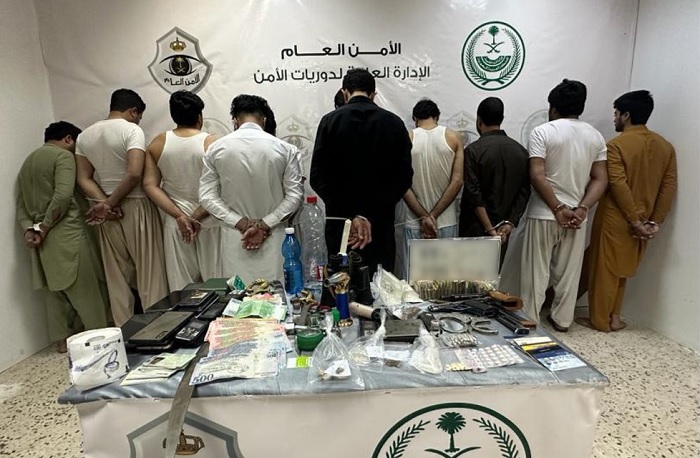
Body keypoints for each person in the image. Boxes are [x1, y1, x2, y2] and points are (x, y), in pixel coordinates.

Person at [501, 79, 608, 331]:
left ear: (553, 108)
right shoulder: (596, 136)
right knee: (569, 272)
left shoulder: (543, 132)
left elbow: (537, 174)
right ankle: (562, 320)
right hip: (577, 217)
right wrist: (582, 208)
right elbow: (601, 179)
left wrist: (558, 208)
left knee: (535, 272)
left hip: (544, 212)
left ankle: (530, 318)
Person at [576, 90, 677, 332]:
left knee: (604, 269)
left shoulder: (616, 146)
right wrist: (653, 222)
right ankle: (615, 318)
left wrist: (634, 221)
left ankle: (600, 320)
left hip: (616, 217)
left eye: (616, 114)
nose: (614, 119)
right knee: (622, 270)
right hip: (645, 219)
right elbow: (669, 186)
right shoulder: (666, 147)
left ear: (626, 115)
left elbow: (618, 185)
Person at [76, 89, 168, 326]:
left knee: (116, 276)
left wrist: (104, 203)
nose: (138, 121)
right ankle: (157, 331)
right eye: (139, 116)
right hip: (136, 205)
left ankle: (125, 334)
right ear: (133, 111)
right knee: (151, 274)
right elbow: (134, 173)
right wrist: (110, 203)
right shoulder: (131, 130)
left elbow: (84, 178)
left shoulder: (85, 136)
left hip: (106, 213)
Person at [16, 122, 109, 352]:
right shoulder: (63, 157)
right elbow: (63, 196)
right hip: (68, 233)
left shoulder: (28, 162)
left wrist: (31, 230)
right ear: (68, 139)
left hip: (42, 241)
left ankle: (62, 340)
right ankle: (100, 338)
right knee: (87, 290)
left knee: (55, 293)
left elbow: (21, 205)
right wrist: (46, 226)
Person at [310, 68, 413, 275]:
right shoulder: (394, 123)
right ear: (373, 94)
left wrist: (352, 215)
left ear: (345, 92)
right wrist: (368, 216)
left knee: (341, 284)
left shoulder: (330, 122)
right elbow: (403, 178)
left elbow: (318, 178)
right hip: (379, 227)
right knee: (380, 284)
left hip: (342, 227)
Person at [199, 94, 304, 283]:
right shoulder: (285, 149)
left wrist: (240, 222)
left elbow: (207, 197)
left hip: (236, 238)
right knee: (278, 295)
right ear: (264, 119)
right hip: (275, 237)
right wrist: (264, 225)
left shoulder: (216, 149)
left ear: (235, 120)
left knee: (237, 297)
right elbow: (294, 197)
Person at [142, 91, 222, 291]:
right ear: (199, 117)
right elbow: (222, 185)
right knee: (218, 283)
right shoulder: (212, 143)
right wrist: (196, 216)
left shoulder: (158, 143)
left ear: (174, 116)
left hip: (177, 224)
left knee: (183, 288)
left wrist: (180, 216)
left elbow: (150, 185)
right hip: (210, 219)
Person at [459, 97, 530, 258]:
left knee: (470, 272)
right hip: (503, 232)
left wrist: (489, 229)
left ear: (479, 120)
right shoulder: (520, 152)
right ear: (502, 119)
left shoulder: (473, 151)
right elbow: (524, 192)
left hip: (475, 229)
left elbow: (473, 193)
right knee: (494, 272)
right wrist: (509, 223)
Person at [401, 99, 463, 278]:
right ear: (437, 116)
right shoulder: (453, 137)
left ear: (415, 118)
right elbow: (457, 181)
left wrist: (424, 217)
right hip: (445, 221)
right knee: (446, 280)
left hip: (415, 222)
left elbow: (402, 185)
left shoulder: (407, 138)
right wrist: (433, 216)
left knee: (414, 281)